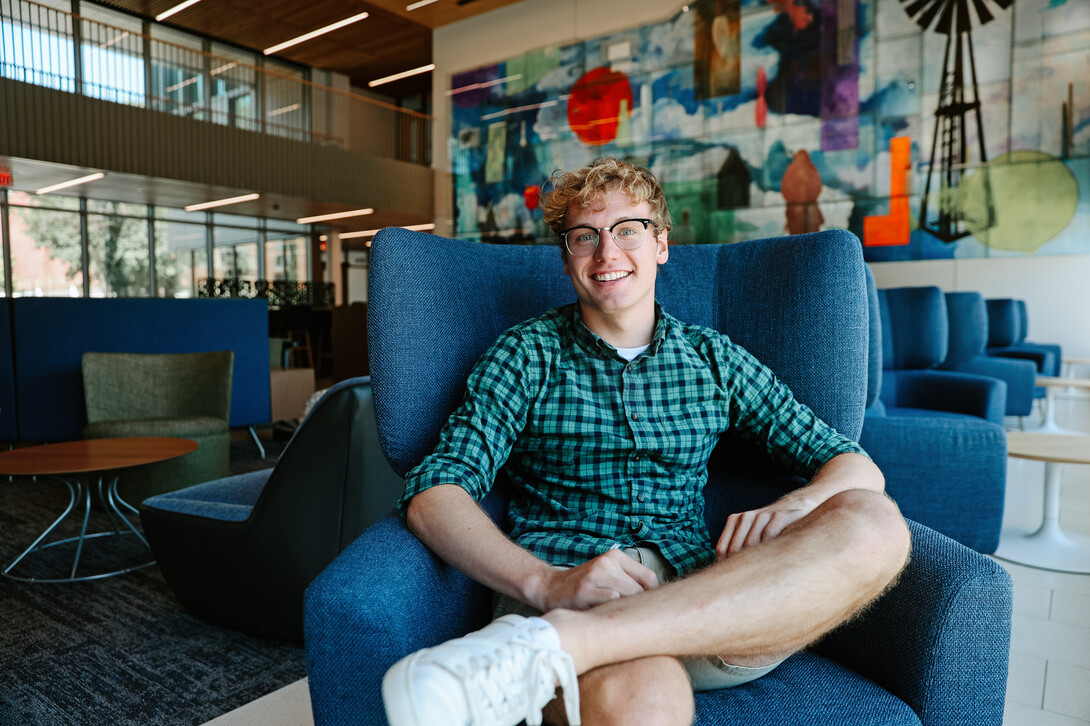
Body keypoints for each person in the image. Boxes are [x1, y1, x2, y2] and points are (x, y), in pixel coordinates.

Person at [381, 157, 911, 726]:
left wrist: (796, 506)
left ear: (661, 243)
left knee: (875, 523)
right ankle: (564, 637)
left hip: (708, 599)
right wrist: (549, 584)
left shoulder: (714, 358)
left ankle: (561, 645)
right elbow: (434, 490)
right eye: (585, 237)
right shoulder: (525, 354)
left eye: (627, 230)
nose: (607, 254)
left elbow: (852, 463)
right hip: (566, 579)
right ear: (567, 256)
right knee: (647, 694)